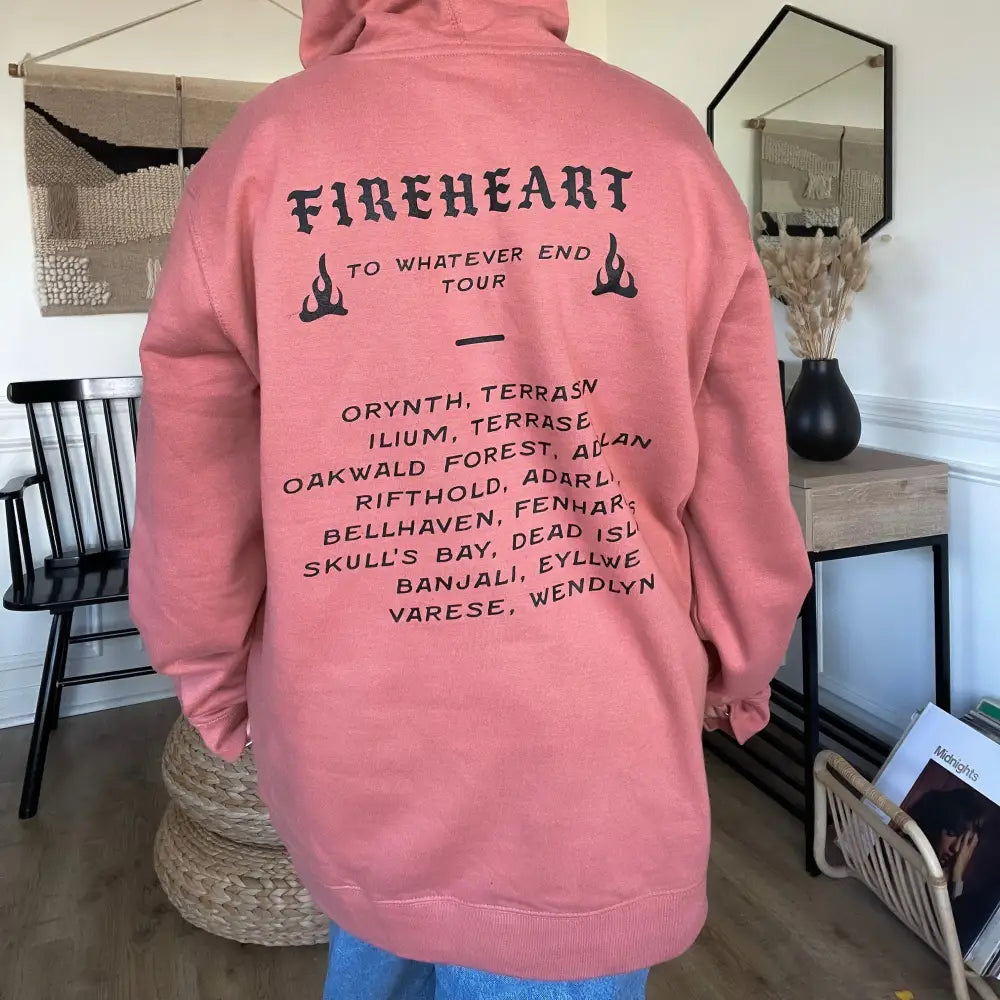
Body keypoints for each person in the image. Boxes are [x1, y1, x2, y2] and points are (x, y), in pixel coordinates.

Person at [130, 1, 812, 997]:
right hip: (596, 748)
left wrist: (215, 682)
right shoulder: (664, 145)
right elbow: (742, 458)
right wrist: (736, 669)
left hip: (356, 739)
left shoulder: (263, 151)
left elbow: (192, 470)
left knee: (379, 948)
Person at [907, 785, 991, 952]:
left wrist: (957, 876)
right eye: (952, 833)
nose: (956, 848)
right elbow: (942, 936)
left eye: (966, 841)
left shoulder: (947, 873)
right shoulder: (911, 860)